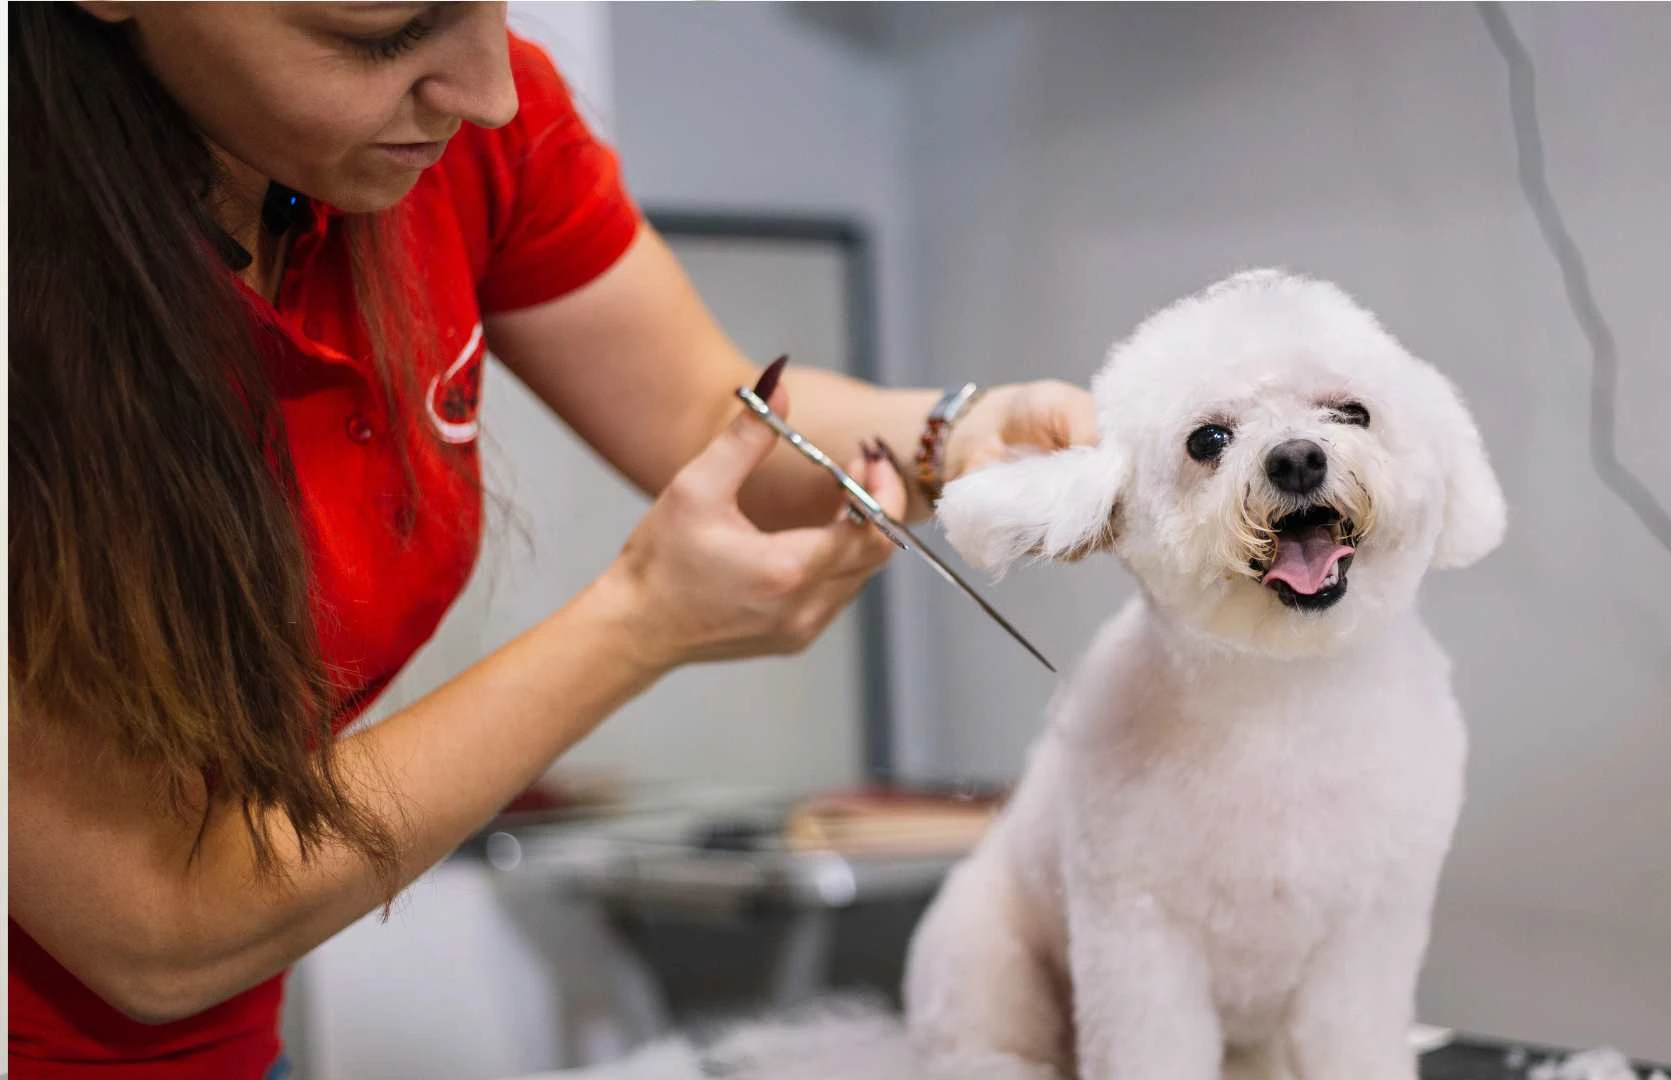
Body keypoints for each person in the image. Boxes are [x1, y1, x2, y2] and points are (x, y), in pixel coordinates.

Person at [6, 3, 1097, 1075]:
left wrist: (956, 437)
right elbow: (158, 929)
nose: (487, 91)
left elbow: (703, 421)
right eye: (380, 31)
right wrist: (636, 628)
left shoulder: (464, 147)